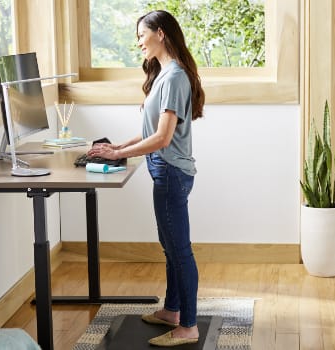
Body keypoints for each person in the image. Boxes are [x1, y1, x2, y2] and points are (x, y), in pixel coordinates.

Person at [87, 9, 205, 347]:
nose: (138, 41)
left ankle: (189, 327)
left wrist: (120, 155)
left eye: (142, 34)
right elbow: (151, 131)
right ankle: (172, 310)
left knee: (180, 251)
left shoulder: (175, 77)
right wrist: (117, 146)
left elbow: (163, 138)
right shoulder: (165, 73)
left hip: (169, 171)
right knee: (170, 246)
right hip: (165, 170)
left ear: (161, 34)